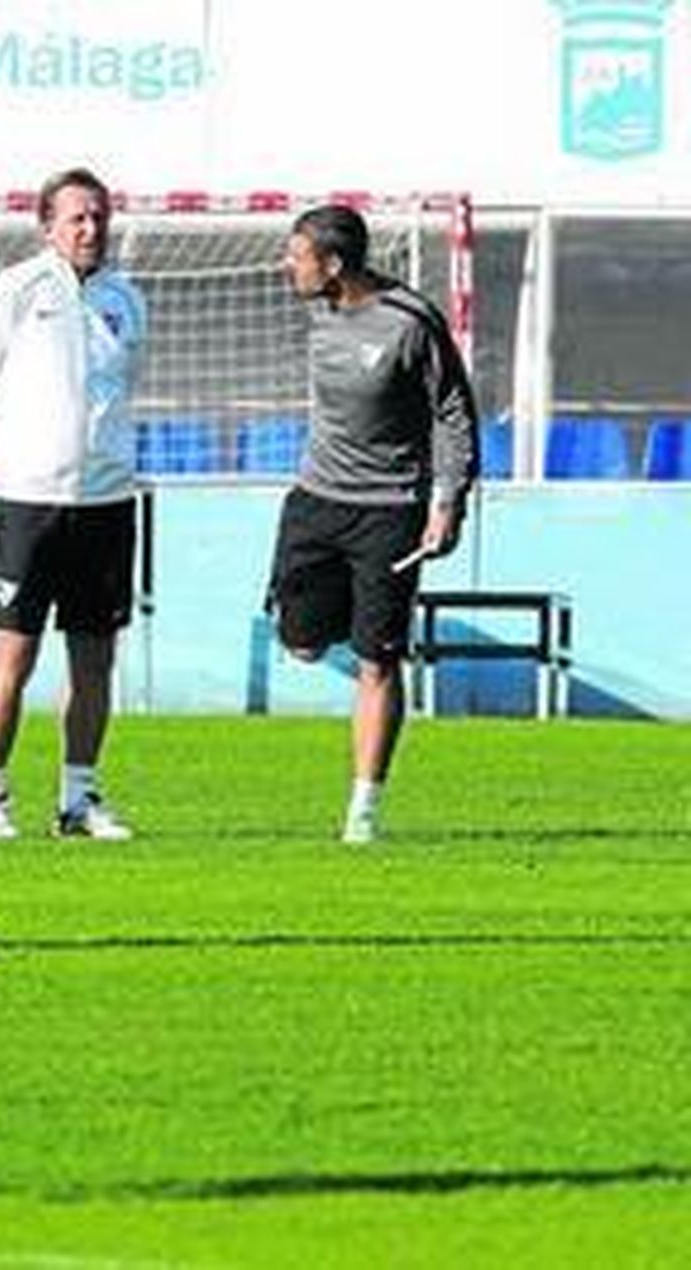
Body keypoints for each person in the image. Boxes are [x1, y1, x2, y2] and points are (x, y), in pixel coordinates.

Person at [0, 167, 147, 841]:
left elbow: (117, 394)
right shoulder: (9, 294)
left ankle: (78, 800)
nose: (91, 229)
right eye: (78, 218)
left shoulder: (126, 300)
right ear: (48, 226)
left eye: (100, 217)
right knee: (14, 658)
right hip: (28, 502)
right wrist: (1, 459)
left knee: (95, 659)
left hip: (107, 503)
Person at [268, 203, 479, 844]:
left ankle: (363, 811)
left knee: (377, 660)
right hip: (314, 502)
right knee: (301, 643)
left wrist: (448, 502)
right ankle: (330, 616)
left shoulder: (411, 323)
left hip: (390, 511)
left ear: (332, 266)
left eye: (296, 255)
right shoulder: (317, 308)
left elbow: (453, 413)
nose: (286, 265)